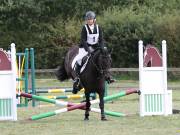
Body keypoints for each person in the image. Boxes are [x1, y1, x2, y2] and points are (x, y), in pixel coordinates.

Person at [72, 11, 115, 94]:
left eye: (90, 19)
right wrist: (88, 50)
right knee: (79, 60)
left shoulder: (98, 28)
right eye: (87, 19)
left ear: (94, 20)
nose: (89, 20)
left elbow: (101, 39)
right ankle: (77, 79)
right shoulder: (84, 28)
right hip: (85, 47)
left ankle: (108, 76)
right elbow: (83, 40)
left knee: (105, 56)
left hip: (96, 47)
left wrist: (102, 48)